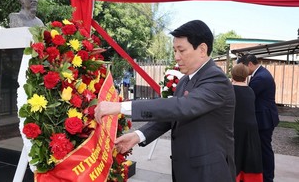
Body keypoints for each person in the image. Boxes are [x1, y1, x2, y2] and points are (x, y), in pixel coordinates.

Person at [95, 20, 236, 182]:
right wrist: (138, 135)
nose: (176, 57)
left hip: (208, 173)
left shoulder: (216, 79)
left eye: (181, 50)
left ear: (202, 49)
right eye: (174, 50)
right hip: (186, 169)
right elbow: (171, 117)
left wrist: (120, 107)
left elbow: (182, 107)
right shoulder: (185, 80)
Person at [237, 54, 279, 182]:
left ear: (249, 64)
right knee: (262, 148)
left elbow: (248, 95)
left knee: (264, 149)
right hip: (264, 117)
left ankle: (267, 178)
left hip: (264, 119)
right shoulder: (261, 74)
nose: (242, 70)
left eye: (243, 67)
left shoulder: (260, 78)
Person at [231, 63, 263, 182]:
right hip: (251, 129)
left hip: (236, 127)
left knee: (236, 156)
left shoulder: (230, 90)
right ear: (246, 75)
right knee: (249, 156)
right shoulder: (250, 90)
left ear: (232, 74)